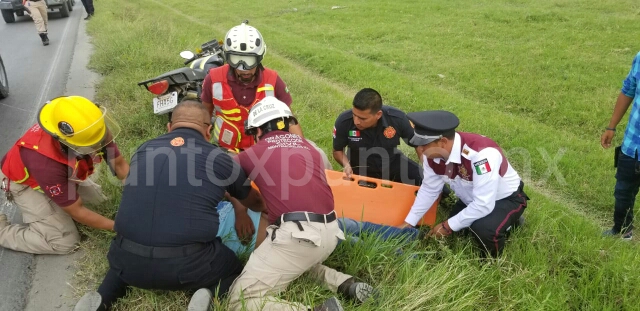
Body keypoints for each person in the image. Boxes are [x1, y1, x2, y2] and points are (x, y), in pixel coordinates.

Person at [72, 101, 264, 311]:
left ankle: (102, 299)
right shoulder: (219, 158)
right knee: (232, 268)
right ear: (209, 131)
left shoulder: (144, 149)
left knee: (125, 264)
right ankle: (207, 295)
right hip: (188, 267)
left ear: (169, 128)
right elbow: (254, 200)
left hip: (125, 259)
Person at [227, 97, 375, 311]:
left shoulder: (253, 153)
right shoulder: (311, 148)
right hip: (330, 233)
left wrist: (243, 207)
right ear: (288, 123)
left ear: (257, 131)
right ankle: (343, 283)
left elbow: (225, 173)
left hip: (298, 235)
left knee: (238, 300)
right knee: (295, 262)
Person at [0, 96, 129, 254]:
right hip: (23, 183)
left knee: (100, 204)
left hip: (61, 173)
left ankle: (56, 206)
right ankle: (2, 232)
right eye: (91, 147)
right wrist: (120, 228)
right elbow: (77, 210)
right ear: (66, 142)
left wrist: (141, 195)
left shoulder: (92, 129)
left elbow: (120, 165)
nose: (98, 148)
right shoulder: (45, 162)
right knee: (65, 242)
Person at [200, 21, 330, 169]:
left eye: (250, 61)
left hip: (266, 151)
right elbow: (204, 115)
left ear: (260, 57)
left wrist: (301, 147)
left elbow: (290, 121)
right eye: (237, 60)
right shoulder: (214, 78)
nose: (244, 69)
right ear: (228, 58)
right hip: (227, 151)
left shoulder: (273, 80)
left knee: (317, 154)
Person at [401, 110, 528, 257]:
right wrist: (409, 222)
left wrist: (446, 226)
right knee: (461, 231)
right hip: (470, 198)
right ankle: (500, 222)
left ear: (442, 142)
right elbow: (429, 189)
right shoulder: (432, 157)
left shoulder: (481, 155)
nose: (420, 150)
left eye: (424, 145)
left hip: (504, 199)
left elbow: (483, 204)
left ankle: (491, 262)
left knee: (482, 230)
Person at [333, 88, 423, 186]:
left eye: (363, 118)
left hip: (391, 163)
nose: (356, 121)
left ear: (378, 114)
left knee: (429, 183)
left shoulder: (397, 119)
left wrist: (428, 169)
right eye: (354, 115)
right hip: (361, 169)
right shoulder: (344, 121)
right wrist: (346, 165)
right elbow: (337, 150)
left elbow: (418, 144)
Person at [600, 51, 640, 240]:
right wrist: (611, 126)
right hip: (633, 144)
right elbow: (628, 89)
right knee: (623, 191)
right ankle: (622, 230)